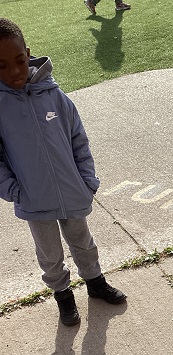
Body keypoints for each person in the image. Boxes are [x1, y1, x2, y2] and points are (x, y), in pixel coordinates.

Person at [0, 18, 126, 327]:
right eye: (2, 66)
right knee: (50, 254)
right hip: (34, 199)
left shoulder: (55, 95)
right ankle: (63, 297)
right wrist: (14, 191)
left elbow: (78, 139)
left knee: (82, 240)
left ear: (28, 53)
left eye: (19, 60)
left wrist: (88, 180)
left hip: (72, 190)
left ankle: (95, 283)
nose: (14, 71)